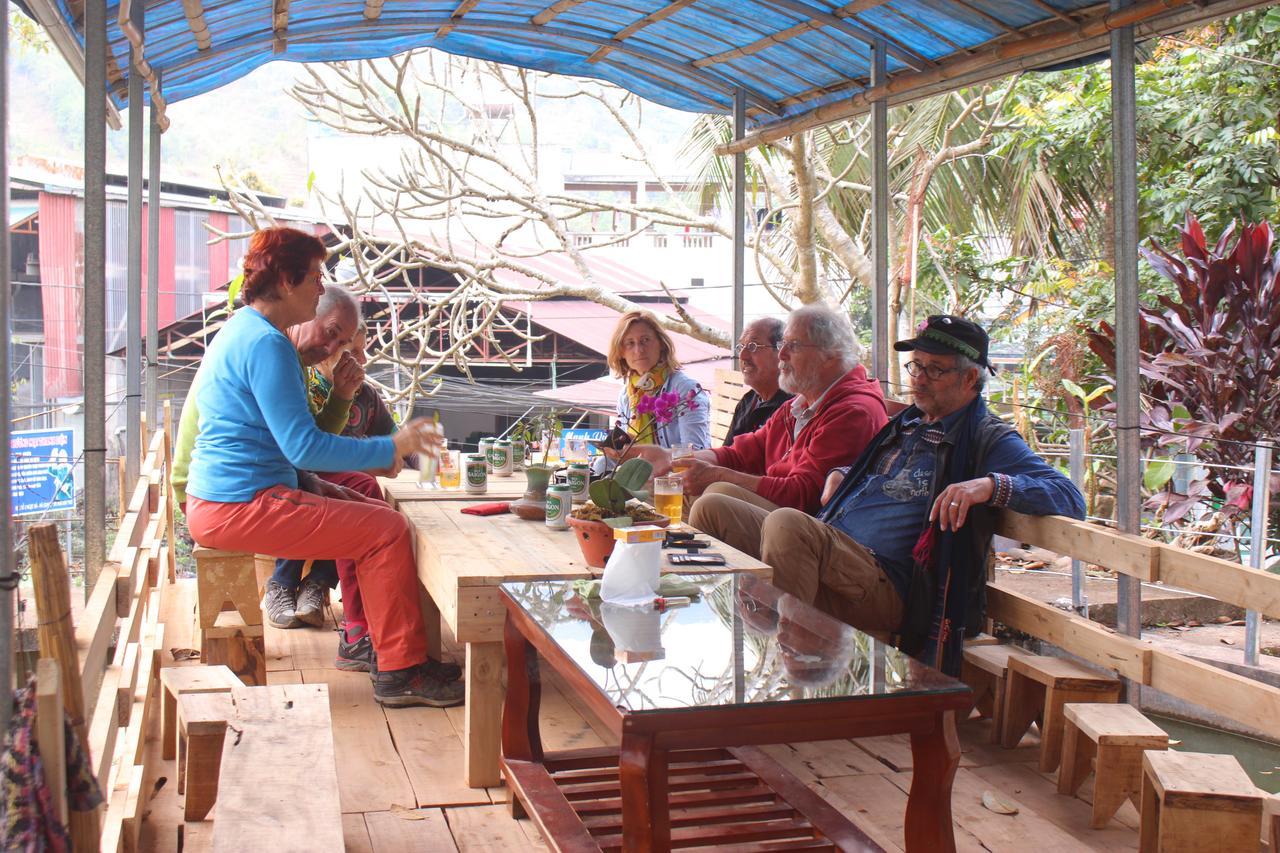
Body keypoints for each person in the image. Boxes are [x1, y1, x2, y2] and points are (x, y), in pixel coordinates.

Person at [697, 315, 1084, 676]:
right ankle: (733, 644)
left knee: (787, 524)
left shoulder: (986, 436)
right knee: (714, 504)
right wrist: (843, 473)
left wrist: (989, 485)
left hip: (891, 586)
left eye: (935, 369)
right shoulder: (908, 424)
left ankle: (793, 672)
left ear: (969, 380)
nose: (919, 378)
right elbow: (886, 477)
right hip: (840, 557)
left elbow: (1069, 497)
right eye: (916, 366)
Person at [182, 226, 463, 707]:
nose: (319, 285)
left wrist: (318, 485)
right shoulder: (266, 344)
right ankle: (401, 671)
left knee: (369, 509)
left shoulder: (249, 330)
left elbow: (276, 447)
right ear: (287, 280)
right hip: (235, 505)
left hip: (230, 497)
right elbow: (303, 446)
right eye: (314, 275)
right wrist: (390, 446)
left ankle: (370, 643)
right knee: (386, 531)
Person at [172, 284, 363, 631]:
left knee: (358, 488)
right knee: (362, 516)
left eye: (346, 347)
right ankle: (285, 584)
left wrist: (343, 395)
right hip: (216, 487)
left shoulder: (293, 359)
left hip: (248, 475)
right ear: (305, 313)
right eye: (333, 336)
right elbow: (304, 450)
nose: (335, 351)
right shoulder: (269, 350)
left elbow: (304, 444)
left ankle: (318, 583)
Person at [651, 304, 886, 514]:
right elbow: (740, 454)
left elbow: (803, 496)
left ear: (831, 356)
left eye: (792, 346)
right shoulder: (797, 406)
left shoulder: (853, 411)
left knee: (716, 497)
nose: (781, 355)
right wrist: (672, 459)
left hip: (802, 527)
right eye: (783, 344)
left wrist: (718, 475)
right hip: (780, 515)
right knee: (660, 482)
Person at [606, 309, 710, 451]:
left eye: (645, 340)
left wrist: (655, 455)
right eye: (630, 343)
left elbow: (695, 451)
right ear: (621, 352)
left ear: (661, 343)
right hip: (641, 471)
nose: (639, 350)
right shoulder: (627, 394)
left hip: (678, 472)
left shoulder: (685, 389)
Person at [724, 317, 792, 446]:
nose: (743, 356)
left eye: (753, 346)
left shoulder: (793, 407)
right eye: (741, 347)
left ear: (781, 352)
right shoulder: (748, 401)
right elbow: (726, 454)